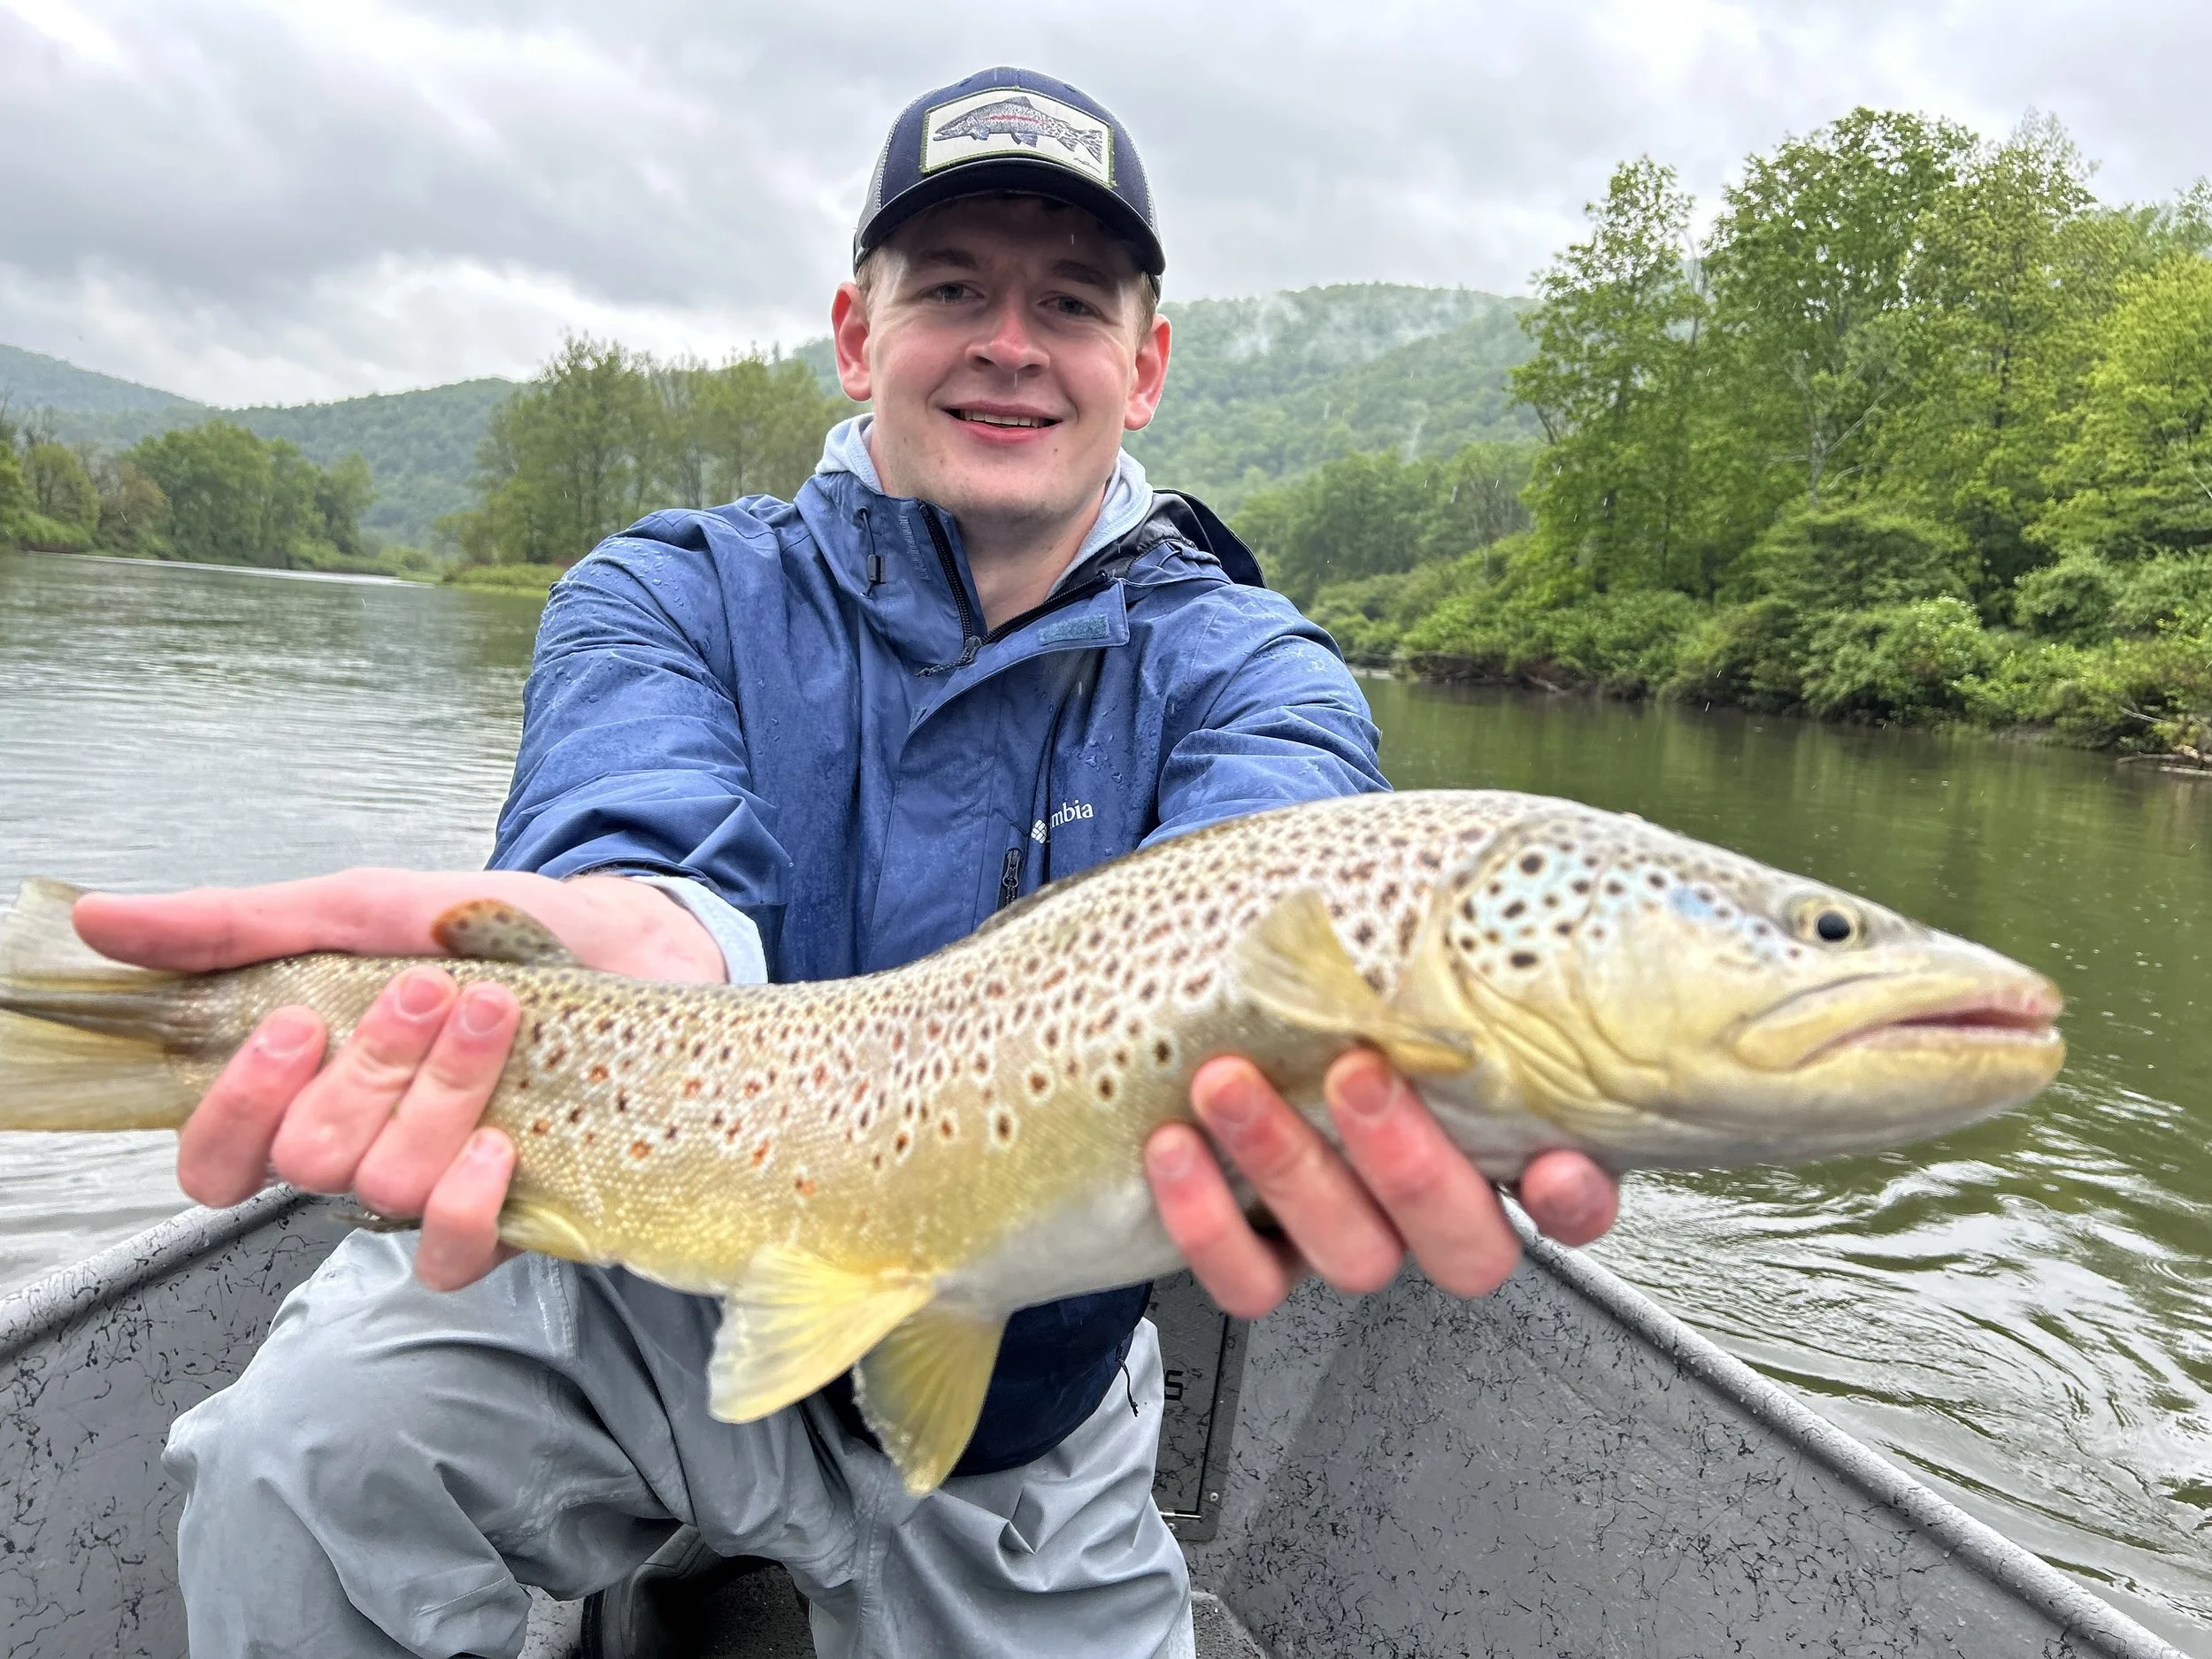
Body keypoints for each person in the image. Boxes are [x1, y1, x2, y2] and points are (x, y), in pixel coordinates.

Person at [73, 67, 1619, 1659]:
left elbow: (1276, 864)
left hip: (1028, 1392)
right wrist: (646, 939)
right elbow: (640, 851)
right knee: (295, 1456)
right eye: (951, 288)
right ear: (855, 330)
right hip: (644, 1291)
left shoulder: (1255, 668)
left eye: (1070, 303)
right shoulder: (665, 589)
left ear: (1144, 366)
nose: (1010, 341)